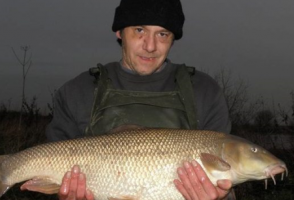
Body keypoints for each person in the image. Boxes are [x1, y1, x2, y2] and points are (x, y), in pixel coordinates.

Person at [45, 0, 233, 199]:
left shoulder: (205, 92)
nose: (150, 46)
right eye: (139, 30)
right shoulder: (77, 91)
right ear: (119, 32)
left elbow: (227, 182)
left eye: (162, 34)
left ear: (173, 39)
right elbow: (50, 172)